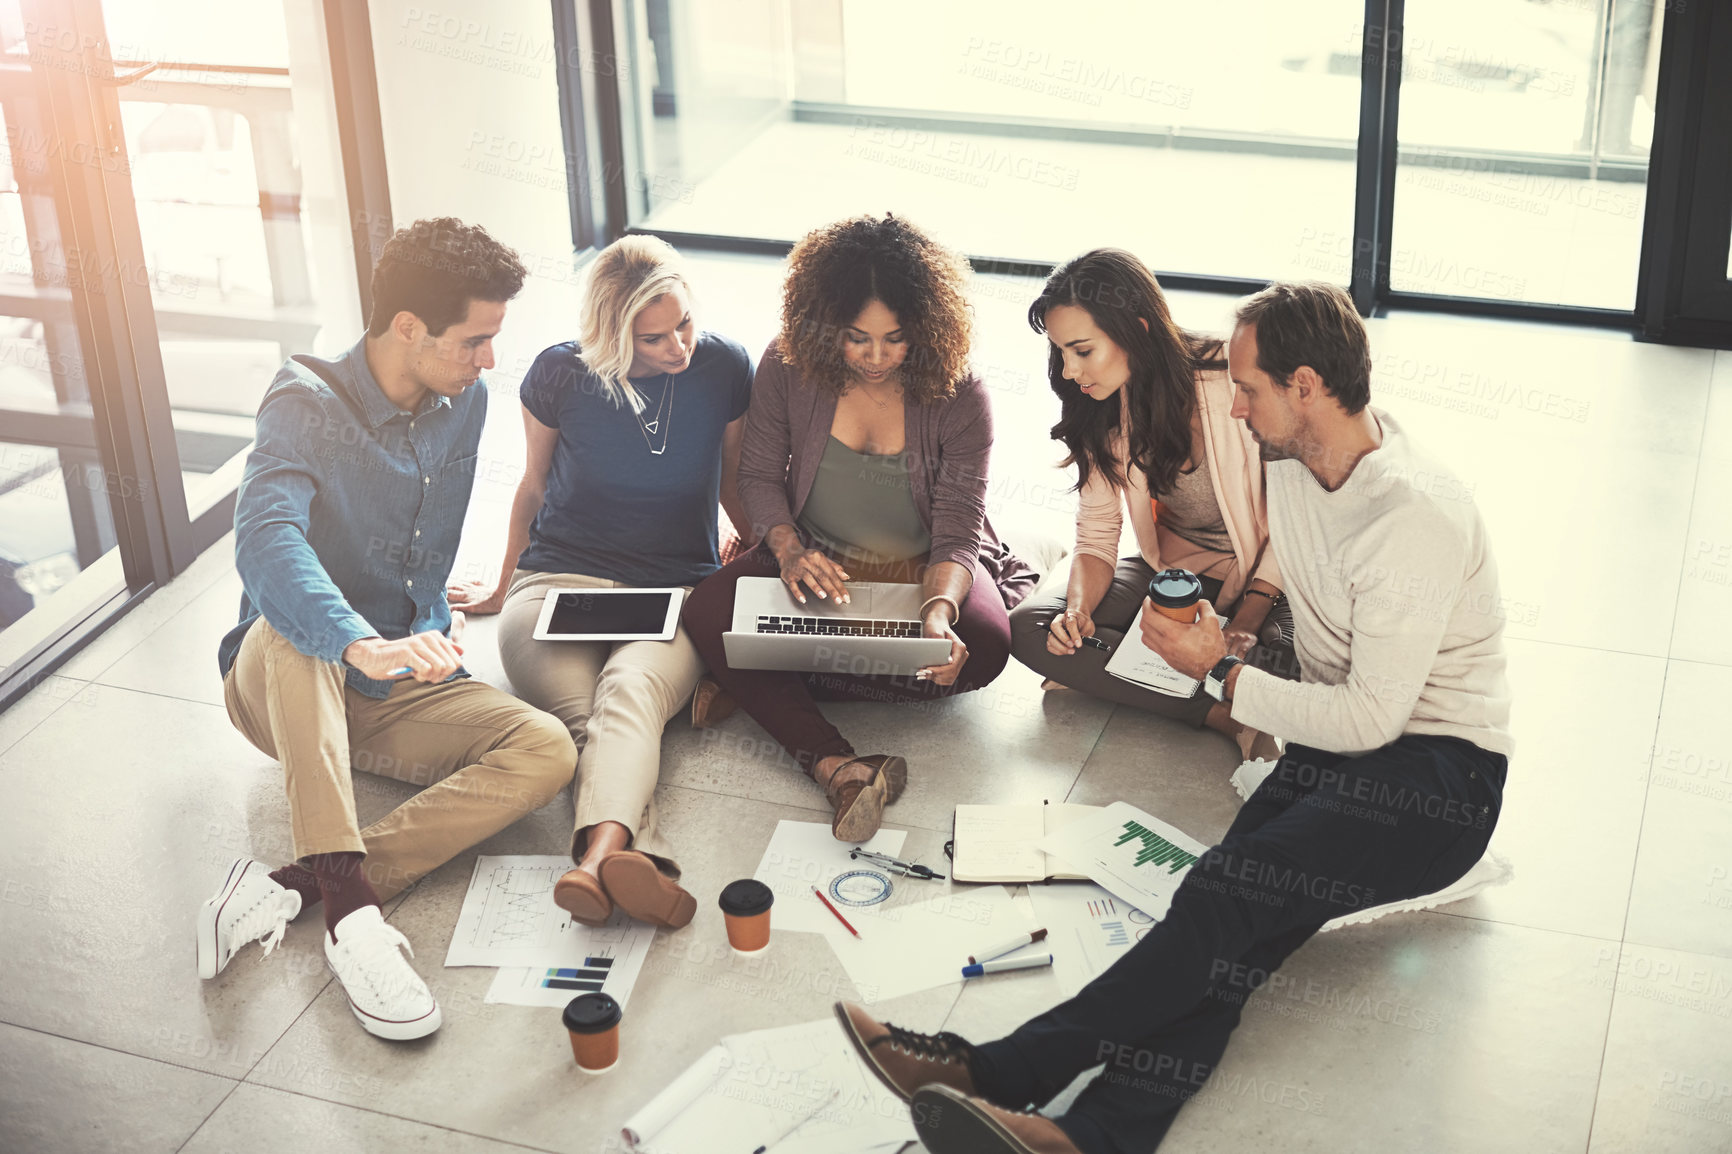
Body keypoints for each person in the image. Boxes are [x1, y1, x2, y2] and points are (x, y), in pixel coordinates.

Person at [836, 281, 1512, 1154]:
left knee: (1230, 899)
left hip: (1438, 778)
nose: (1234, 403)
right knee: (1224, 930)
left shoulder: (1412, 513)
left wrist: (1223, 671)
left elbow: (1374, 720)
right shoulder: (1290, 462)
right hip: (1340, 746)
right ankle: (1089, 1139)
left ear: (1306, 386)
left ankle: (996, 1072)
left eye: (1249, 386)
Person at [198, 219, 576, 1042]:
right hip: (287, 683)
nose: (488, 363)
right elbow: (266, 538)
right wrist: (356, 638)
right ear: (408, 327)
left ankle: (310, 883)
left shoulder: (463, 403)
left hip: (398, 685)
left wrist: (431, 623)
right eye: (475, 341)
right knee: (297, 628)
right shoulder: (304, 403)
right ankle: (357, 929)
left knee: (548, 748)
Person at [682, 214, 1037, 842]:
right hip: (817, 562)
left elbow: (958, 531)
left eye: (895, 339)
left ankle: (762, 679)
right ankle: (834, 763)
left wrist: (937, 614)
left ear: (926, 330)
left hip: (919, 566)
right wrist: (788, 551)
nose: (876, 358)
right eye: (856, 338)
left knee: (984, 644)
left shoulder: (962, 394)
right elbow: (759, 476)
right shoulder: (788, 366)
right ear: (824, 327)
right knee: (708, 608)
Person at [448, 235, 752, 929]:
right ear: (613, 334)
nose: (677, 346)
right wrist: (501, 590)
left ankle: (593, 864)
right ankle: (637, 858)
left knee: (627, 695)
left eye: (684, 325)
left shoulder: (724, 367)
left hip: (675, 589)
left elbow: (735, 479)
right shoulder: (560, 375)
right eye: (653, 339)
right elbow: (531, 488)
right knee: (585, 722)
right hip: (556, 576)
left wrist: (765, 552)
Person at [1009, 250, 1296, 758]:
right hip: (1171, 574)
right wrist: (1077, 611)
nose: (1070, 369)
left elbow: (1296, 521)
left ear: (1137, 330)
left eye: (1081, 350)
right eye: (1060, 352)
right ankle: (1223, 715)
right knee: (1032, 630)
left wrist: (1248, 621)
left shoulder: (1235, 378)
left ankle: (1116, 673)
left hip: (1270, 582)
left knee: (1294, 665)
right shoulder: (1098, 404)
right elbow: (1098, 535)